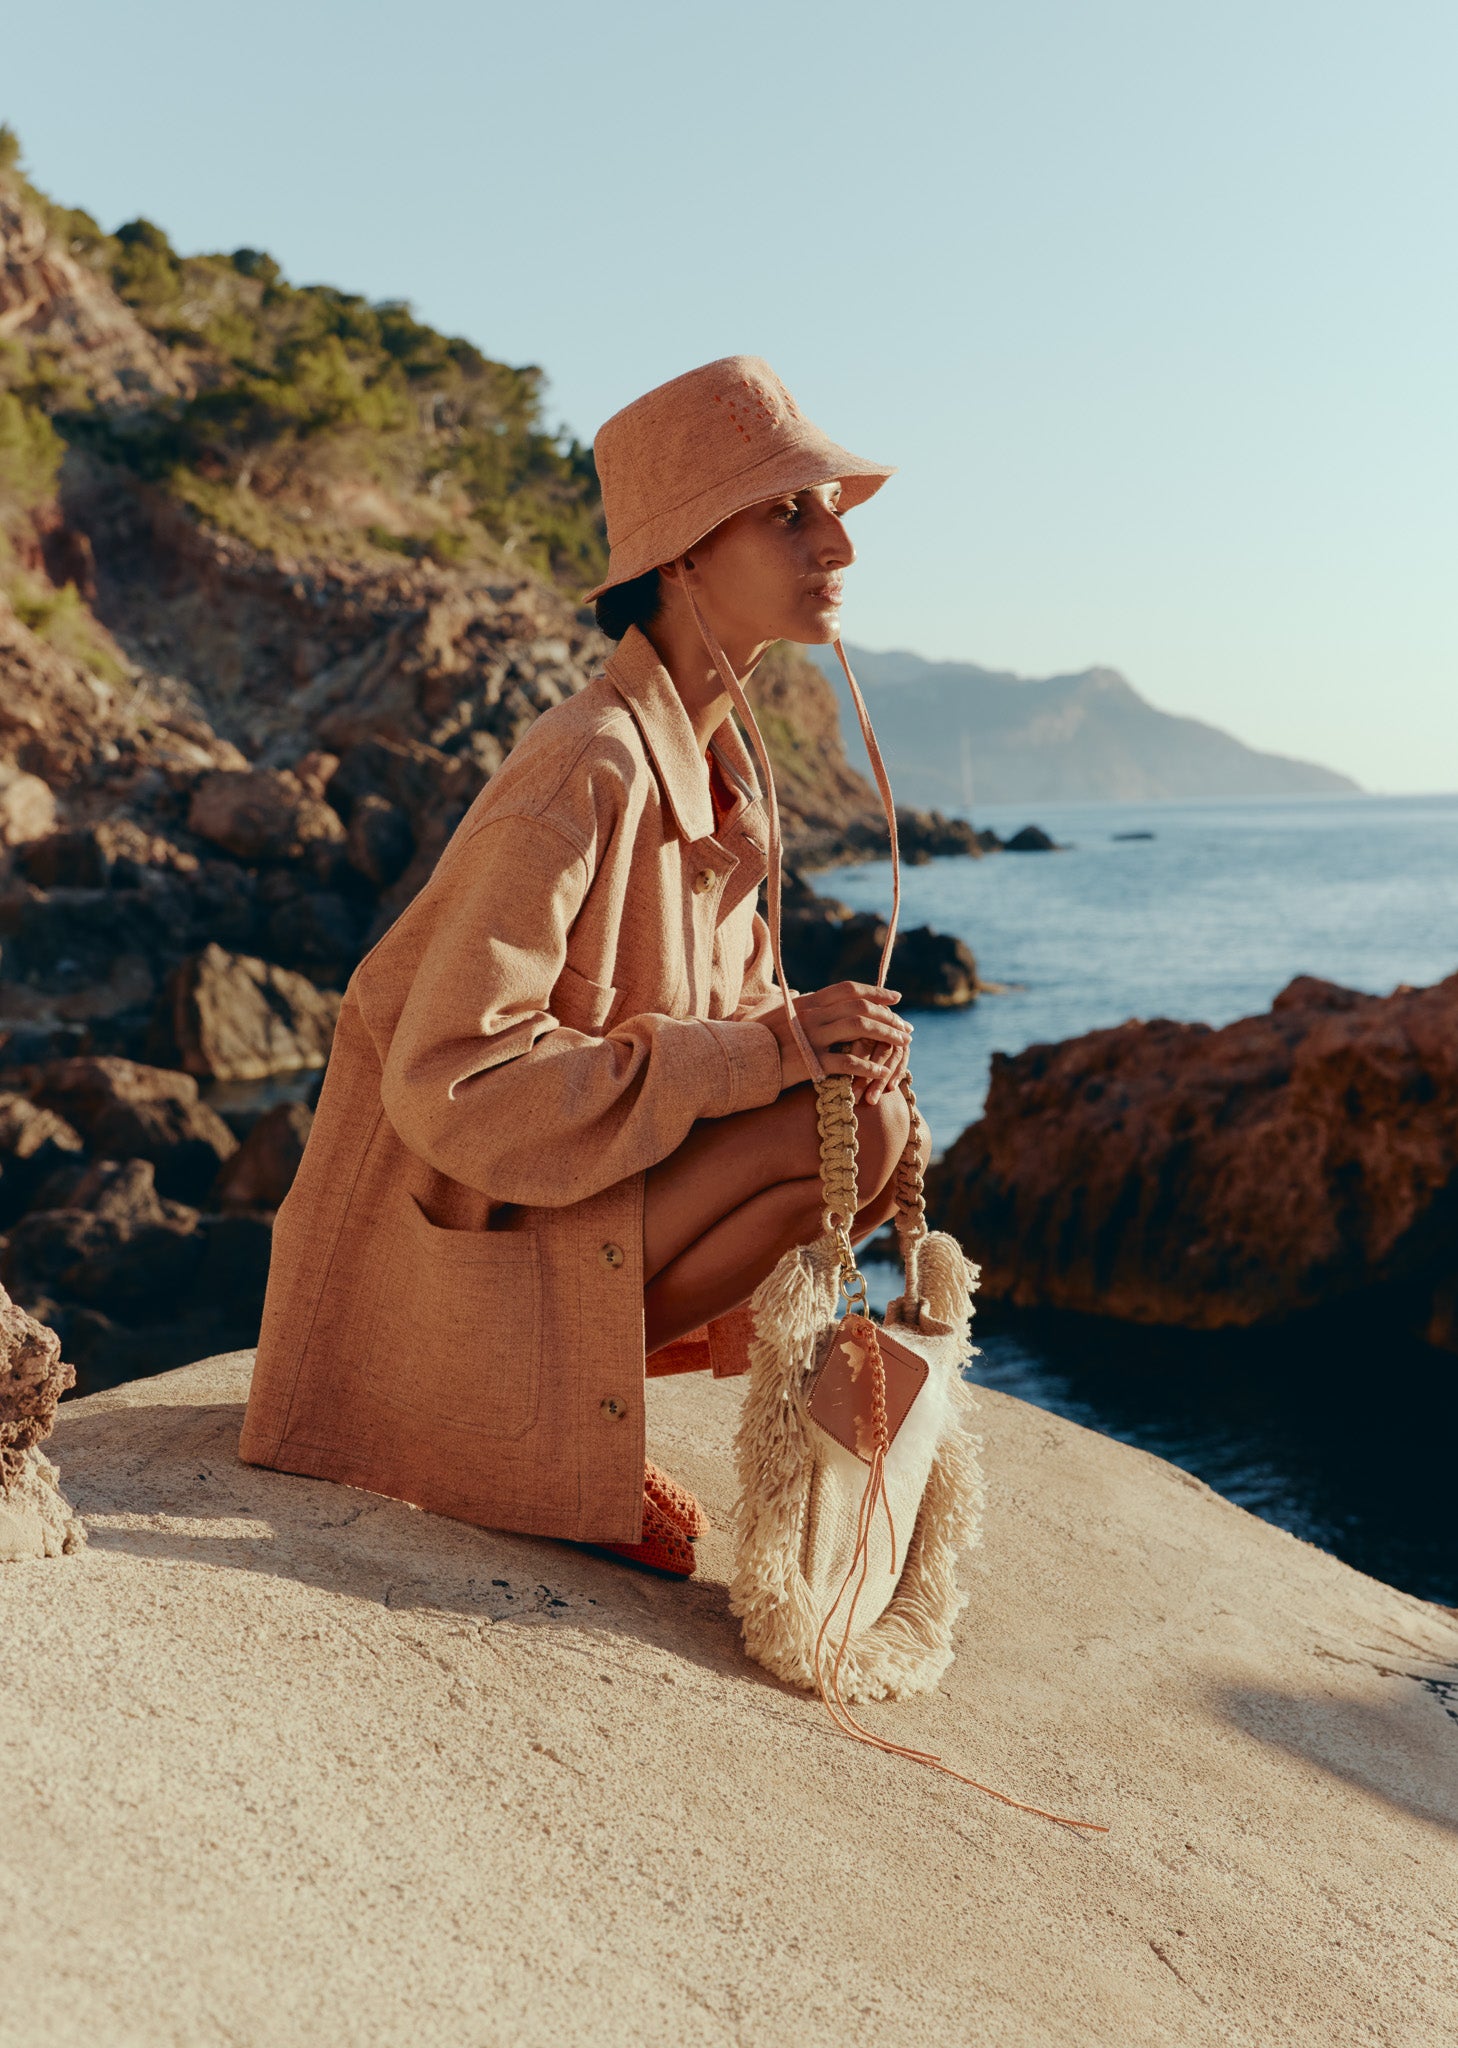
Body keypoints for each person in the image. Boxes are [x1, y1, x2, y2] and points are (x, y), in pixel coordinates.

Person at [239, 356, 917, 1575]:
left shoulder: (724, 766)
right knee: (847, 1129)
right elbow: (449, 1076)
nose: (837, 544)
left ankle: (570, 1416)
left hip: (560, 1196)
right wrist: (770, 1049)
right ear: (682, 558)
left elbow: (729, 1011)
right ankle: (514, 1435)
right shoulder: (581, 770)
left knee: (867, 1119)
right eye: (786, 511)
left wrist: (815, 1036)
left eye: (825, 510)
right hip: (451, 1236)